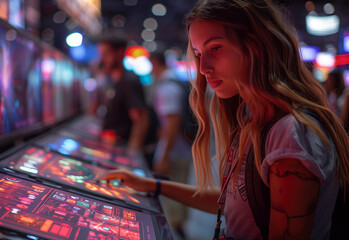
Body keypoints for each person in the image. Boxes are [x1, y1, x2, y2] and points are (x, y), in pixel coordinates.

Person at [99, 0, 349, 239]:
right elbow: (236, 203)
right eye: (198, 53)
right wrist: (153, 185)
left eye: (215, 48)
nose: (204, 67)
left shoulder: (290, 133)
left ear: (257, 45)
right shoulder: (254, 118)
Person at [149, 51, 193, 237]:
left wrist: (164, 156)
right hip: (181, 150)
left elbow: (172, 122)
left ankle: (177, 235)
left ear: (156, 63)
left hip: (175, 153)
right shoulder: (174, 83)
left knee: (172, 203)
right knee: (176, 200)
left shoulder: (167, 88)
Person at [94, 33, 150, 151]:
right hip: (114, 146)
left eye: (106, 53)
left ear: (120, 52)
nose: (102, 59)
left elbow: (141, 120)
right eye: (101, 54)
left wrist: (132, 154)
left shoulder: (129, 81)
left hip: (122, 148)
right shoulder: (115, 80)